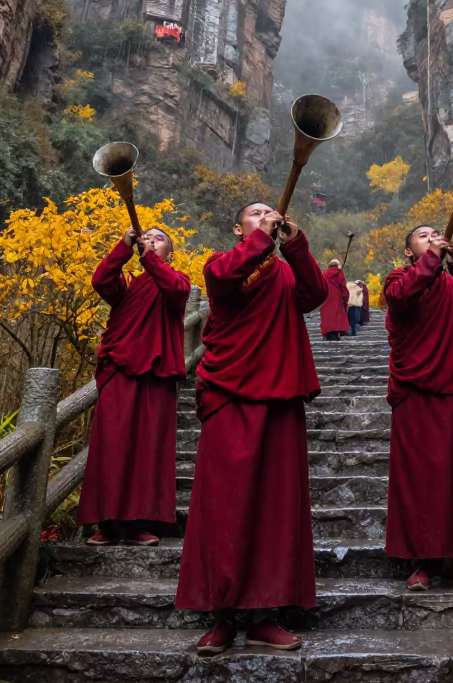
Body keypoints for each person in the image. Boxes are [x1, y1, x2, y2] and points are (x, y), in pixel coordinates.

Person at [175, 203, 327, 655]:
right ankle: (221, 616)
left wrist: (295, 244)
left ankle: (265, 614)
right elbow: (224, 282)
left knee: (276, 507)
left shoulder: (283, 272)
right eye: (254, 213)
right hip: (229, 395)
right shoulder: (220, 264)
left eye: (271, 212)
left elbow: (315, 294)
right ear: (236, 226)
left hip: (279, 395)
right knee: (223, 506)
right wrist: (260, 239)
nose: (265, 215)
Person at [383, 225, 453, 591]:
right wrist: (432, 261)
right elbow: (400, 300)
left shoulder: (451, 283)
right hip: (416, 391)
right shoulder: (399, 278)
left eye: (436, 233)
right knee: (419, 478)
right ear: (408, 252)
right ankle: (420, 561)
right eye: (422, 236)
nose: (432, 237)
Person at [78, 226, 190, 546]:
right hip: (120, 372)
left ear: (171, 251)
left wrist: (149, 259)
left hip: (156, 374)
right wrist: (123, 247)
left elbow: (174, 291)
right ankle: (108, 523)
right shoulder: (126, 286)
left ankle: (141, 523)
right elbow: (100, 281)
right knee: (111, 446)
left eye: (160, 238)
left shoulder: (177, 279)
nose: (152, 241)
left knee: (148, 448)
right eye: (148, 237)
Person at [320, 257, 349, 341]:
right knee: (336, 318)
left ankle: (327, 334)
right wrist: (345, 301)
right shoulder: (339, 274)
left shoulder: (323, 274)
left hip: (326, 298)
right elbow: (344, 289)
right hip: (336, 298)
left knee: (327, 317)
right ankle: (335, 335)